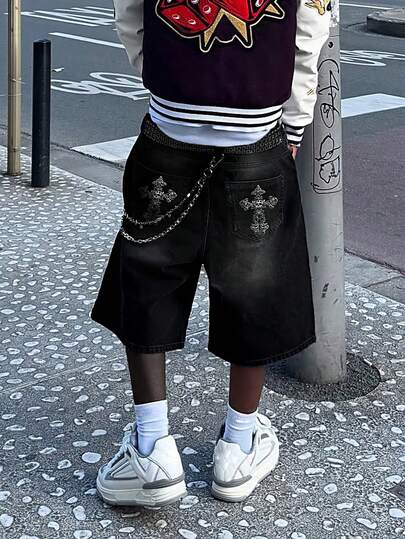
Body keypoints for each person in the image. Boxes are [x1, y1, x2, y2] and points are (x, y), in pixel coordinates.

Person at [92, 0, 332, 507]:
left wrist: (163, 80)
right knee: (254, 288)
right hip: (256, 127)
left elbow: (129, 11)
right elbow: (311, 23)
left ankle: (152, 448)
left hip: (170, 125)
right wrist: (293, 122)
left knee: (149, 275)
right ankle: (238, 447)